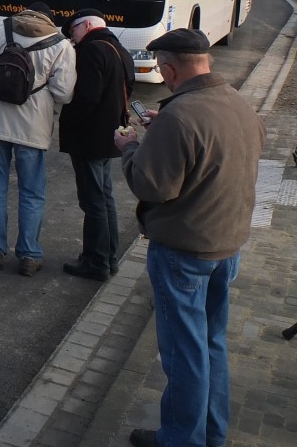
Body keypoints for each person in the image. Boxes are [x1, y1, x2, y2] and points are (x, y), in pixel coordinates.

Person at [114, 29, 264, 447]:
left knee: (184, 355)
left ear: (168, 69)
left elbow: (151, 186)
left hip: (184, 252)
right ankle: (210, 434)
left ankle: (181, 440)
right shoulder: (237, 103)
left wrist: (129, 146)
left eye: (161, 70)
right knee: (210, 345)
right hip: (226, 245)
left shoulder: (180, 116)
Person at [0, 4, 76, 277]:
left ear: (21, 14)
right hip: (33, 127)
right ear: (49, 19)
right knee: (32, 191)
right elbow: (63, 93)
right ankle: (29, 254)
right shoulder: (61, 45)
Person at [58, 9, 134, 282]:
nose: (73, 39)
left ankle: (96, 261)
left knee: (93, 202)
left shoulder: (91, 51)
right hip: (111, 135)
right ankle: (109, 257)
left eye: (74, 32)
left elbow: (86, 97)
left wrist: (68, 121)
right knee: (105, 198)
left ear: (87, 25)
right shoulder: (119, 48)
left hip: (89, 139)